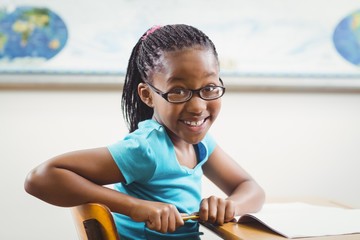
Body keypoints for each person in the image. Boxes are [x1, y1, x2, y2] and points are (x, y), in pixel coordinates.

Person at [24, 24, 265, 239]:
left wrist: (230, 205)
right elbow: (40, 178)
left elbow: (252, 189)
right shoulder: (147, 149)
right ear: (147, 95)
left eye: (210, 88)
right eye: (178, 91)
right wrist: (134, 206)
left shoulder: (198, 144)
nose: (198, 106)